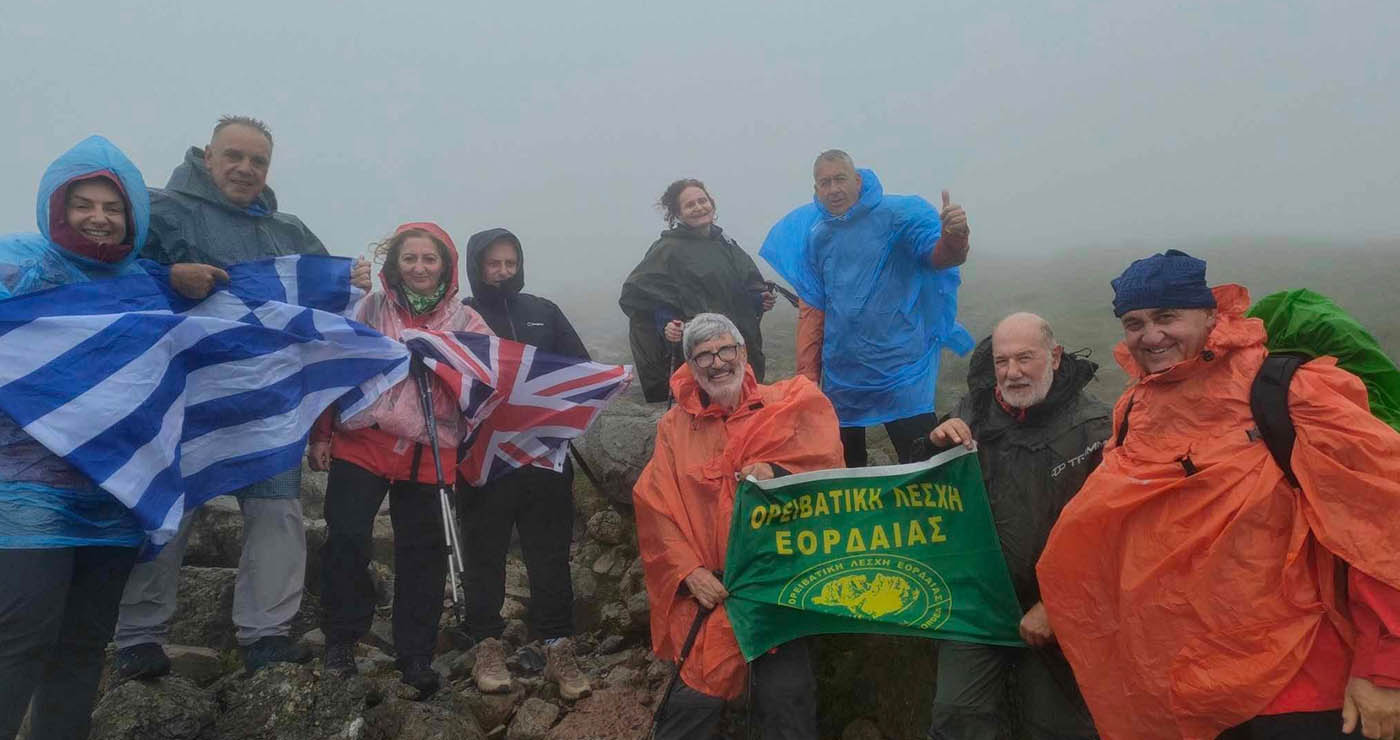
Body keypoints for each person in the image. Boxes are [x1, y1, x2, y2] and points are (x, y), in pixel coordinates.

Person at [1036, 250, 1400, 740]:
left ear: (1212, 314)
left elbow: (1382, 523)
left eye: (1168, 317)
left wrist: (1385, 670)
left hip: (1302, 686)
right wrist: (1055, 600)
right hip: (1187, 691)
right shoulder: (1135, 409)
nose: (1151, 335)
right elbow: (1113, 528)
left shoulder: (1289, 393)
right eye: (1134, 322)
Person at [115, 115, 371, 677]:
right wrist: (169, 277)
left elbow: (319, 305)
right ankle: (138, 636)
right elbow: (114, 275)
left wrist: (349, 280)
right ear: (207, 157)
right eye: (234, 156)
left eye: (257, 161)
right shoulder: (159, 211)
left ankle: (266, 634)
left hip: (266, 399)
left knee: (278, 513)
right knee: (165, 511)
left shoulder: (288, 229)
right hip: (182, 395)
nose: (245, 169)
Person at [0, 136, 226, 740]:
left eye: (114, 207)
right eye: (84, 204)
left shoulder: (146, 286)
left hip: (117, 496)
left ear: (133, 217)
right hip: (27, 496)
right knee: (21, 638)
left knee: (83, 647)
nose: (99, 218)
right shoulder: (16, 265)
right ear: (57, 206)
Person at [633, 313, 845, 739]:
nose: (717, 362)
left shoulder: (787, 404)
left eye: (725, 349)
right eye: (703, 355)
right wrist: (689, 572)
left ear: (744, 352)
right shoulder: (675, 427)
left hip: (778, 592)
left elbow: (827, 471)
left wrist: (778, 471)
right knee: (691, 704)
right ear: (690, 366)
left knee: (788, 703)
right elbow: (655, 505)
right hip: (715, 594)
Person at [306, 222, 490, 697]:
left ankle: (415, 654)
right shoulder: (369, 307)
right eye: (410, 259)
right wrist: (322, 433)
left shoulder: (467, 322)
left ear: (445, 266)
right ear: (395, 264)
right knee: (346, 536)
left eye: (430, 259)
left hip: (430, 447)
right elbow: (335, 367)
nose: (420, 268)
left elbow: (489, 381)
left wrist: (441, 362)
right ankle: (342, 638)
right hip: (364, 439)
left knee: (423, 554)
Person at [923, 313, 1108, 740]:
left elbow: (1113, 535)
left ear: (1055, 356)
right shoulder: (973, 410)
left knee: (1057, 727)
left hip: (1058, 610)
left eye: (1025, 358)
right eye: (1002, 361)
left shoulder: (1096, 428)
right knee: (955, 716)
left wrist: (1058, 606)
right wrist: (933, 444)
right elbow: (924, 492)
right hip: (977, 602)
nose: (1012, 372)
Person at [759, 150, 973, 468]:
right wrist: (807, 377)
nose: (833, 189)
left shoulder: (898, 216)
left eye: (840, 179)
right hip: (843, 374)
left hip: (900, 369)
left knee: (924, 464)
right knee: (845, 474)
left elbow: (938, 258)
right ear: (815, 188)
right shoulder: (816, 233)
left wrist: (954, 238)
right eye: (824, 182)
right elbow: (813, 307)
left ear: (857, 180)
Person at [457, 228, 593, 699]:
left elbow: (581, 368)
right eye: (493, 264)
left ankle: (558, 648)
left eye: (510, 263)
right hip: (484, 461)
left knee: (551, 554)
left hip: (544, 458)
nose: (502, 272)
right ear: (477, 266)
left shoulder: (543, 311)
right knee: (484, 554)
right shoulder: (462, 317)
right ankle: (487, 645)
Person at [620, 178, 776, 403]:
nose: (699, 207)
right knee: (706, 413)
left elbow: (743, 285)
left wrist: (759, 299)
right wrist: (666, 323)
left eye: (702, 201)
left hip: (738, 346)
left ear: (712, 203)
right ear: (678, 214)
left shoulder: (726, 243)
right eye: (690, 205)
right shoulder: (667, 250)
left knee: (742, 409)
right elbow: (641, 295)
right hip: (699, 352)